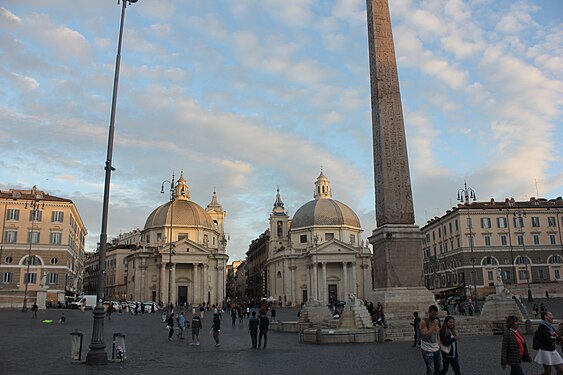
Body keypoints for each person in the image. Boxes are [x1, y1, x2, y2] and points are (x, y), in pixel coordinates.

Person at [420, 305, 442, 375]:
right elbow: (425, 335)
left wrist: (439, 343)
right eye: (433, 314)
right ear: (429, 313)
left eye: (436, 314)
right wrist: (433, 326)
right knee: (431, 370)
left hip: (436, 348)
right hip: (427, 349)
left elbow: (438, 334)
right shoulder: (424, 322)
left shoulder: (437, 321)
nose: (435, 316)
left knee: (440, 368)